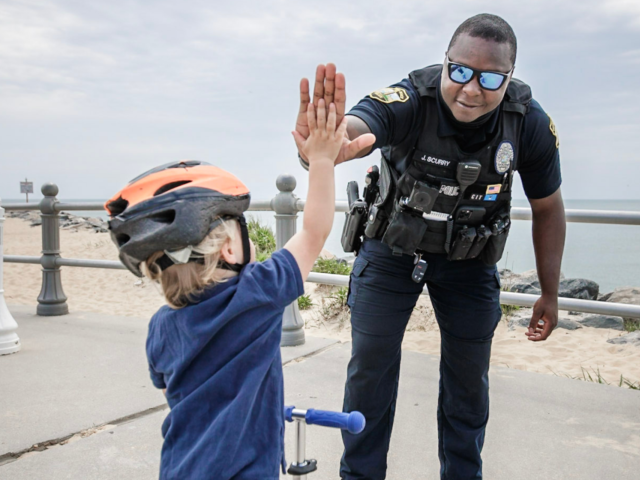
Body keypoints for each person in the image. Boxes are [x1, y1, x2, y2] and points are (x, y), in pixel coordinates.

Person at [294, 13, 566, 480]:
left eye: (490, 78)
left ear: (510, 77)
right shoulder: (411, 100)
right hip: (391, 252)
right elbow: (361, 124)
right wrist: (329, 146)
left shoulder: (527, 122)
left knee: (468, 385)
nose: (471, 88)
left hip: (470, 263)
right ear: (444, 63)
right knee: (370, 375)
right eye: (459, 71)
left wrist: (549, 290)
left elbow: (548, 208)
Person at [104, 101, 373, 479]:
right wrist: (323, 160)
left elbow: (175, 396)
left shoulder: (160, 329)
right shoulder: (256, 294)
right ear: (230, 248)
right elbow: (314, 230)